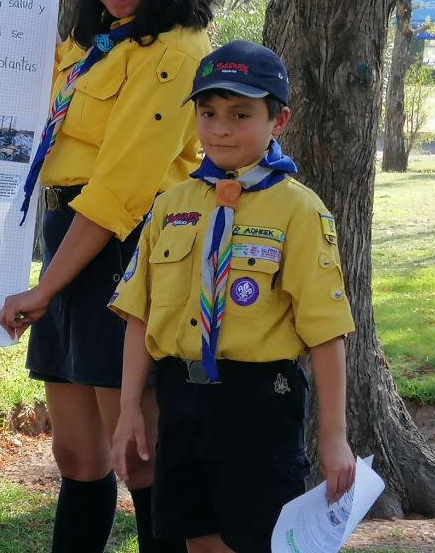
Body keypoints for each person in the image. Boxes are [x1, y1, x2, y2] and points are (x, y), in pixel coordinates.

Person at [0, 0, 213, 553]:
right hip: (66, 241)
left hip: (126, 252)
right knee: (76, 456)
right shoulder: (91, 41)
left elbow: (120, 190)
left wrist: (44, 287)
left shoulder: (176, 50)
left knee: (137, 453)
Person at [109, 40, 357, 553]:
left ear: (279, 120)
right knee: (196, 537)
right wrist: (130, 407)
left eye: (240, 114)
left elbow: (327, 332)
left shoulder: (299, 211)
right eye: (208, 112)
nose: (220, 127)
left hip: (258, 404)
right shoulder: (171, 205)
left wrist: (333, 437)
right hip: (181, 398)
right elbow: (138, 313)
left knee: (258, 539)